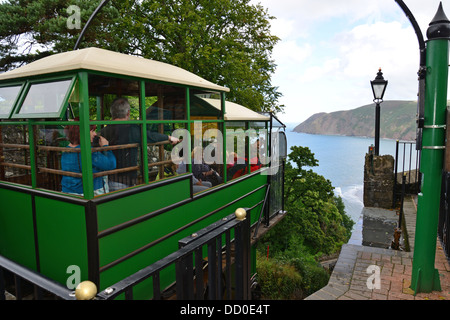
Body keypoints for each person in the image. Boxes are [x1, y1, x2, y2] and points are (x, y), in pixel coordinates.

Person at [100, 97, 180, 191]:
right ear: (128, 113)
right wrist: (168, 137)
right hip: (129, 180)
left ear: (112, 113)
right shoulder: (132, 129)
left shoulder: (104, 131)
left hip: (112, 180)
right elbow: (150, 136)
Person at [61, 122, 116, 196]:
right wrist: (105, 147)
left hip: (68, 192)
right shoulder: (89, 152)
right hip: (90, 192)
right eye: (92, 131)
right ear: (83, 133)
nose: (95, 134)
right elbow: (111, 165)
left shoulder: (66, 150)